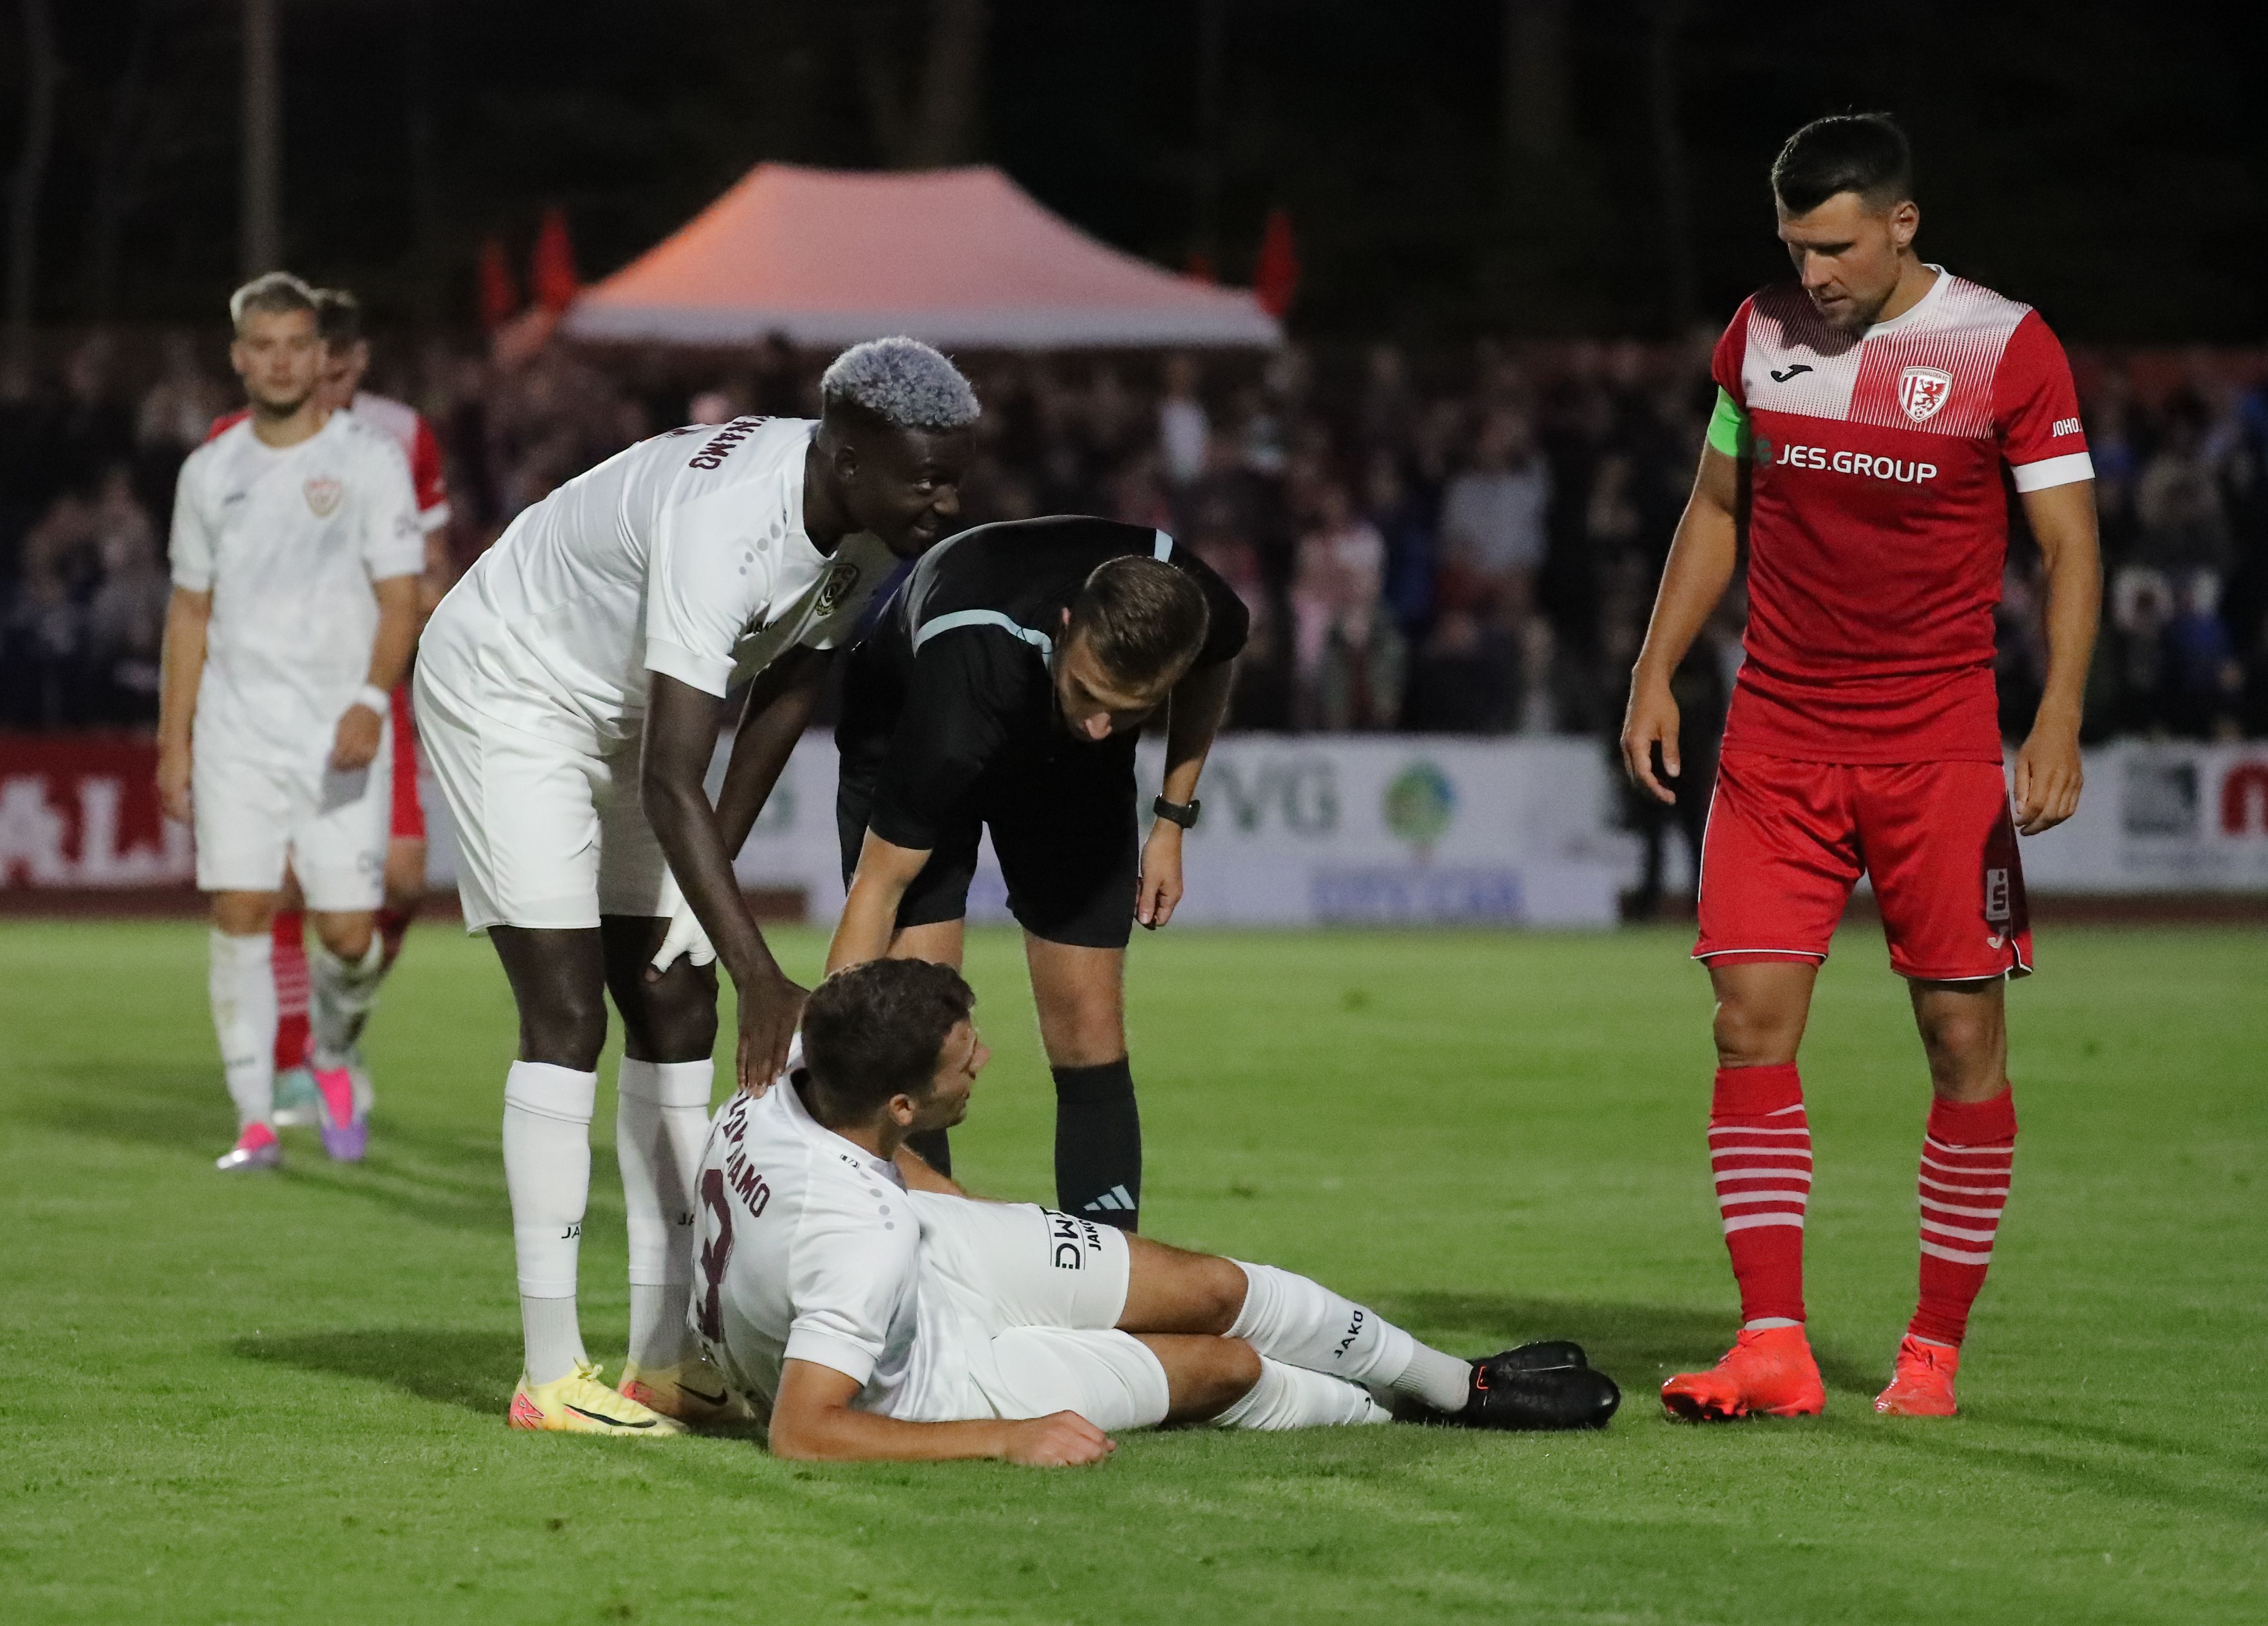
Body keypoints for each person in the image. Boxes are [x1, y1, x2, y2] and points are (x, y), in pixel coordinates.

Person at [1620, 115, 2101, 1420]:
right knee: (1745, 1024)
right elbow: (1718, 507)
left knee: (1959, 1038)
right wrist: (1653, 667)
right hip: (1776, 737)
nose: (1810, 271)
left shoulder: (2006, 348)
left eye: (1832, 245)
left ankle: (1930, 1353)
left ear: (1901, 224)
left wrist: (2054, 716)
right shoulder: (1756, 335)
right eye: (1790, 245)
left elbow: (2066, 545)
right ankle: (1769, 1344)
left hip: (1935, 749)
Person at [413, 337, 977, 1435]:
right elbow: (674, 773)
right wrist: (764, 973)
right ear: (848, 456)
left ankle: (665, 1359)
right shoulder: (730, 524)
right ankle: (547, 1373)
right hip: (510, 689)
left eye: (955, 475)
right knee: (568, 1011)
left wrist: (701, 905)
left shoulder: (869, 523)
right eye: (927, 478)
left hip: (622, 713)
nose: (945, 501)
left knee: (673, 997)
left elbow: (786, 688)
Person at [692, 959, 1621, 1462]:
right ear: (900, 1107)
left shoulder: (787, 1085)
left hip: (937, 1254)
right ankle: (1386, 1418)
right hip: (946, 1382)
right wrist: (1009, 1439)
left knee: (1211, 1285)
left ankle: (1460, 1388)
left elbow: (863, 1181)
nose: (983, 1061)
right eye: (961, 1060)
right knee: (1229, 1367)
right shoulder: (859, 1239)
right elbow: (806, 1431)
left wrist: (994, 1235)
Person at [827, 517, 1247, 1232]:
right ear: (1063, 626)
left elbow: (1213, 663)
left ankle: (1112, 1284)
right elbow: (880, 886)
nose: (1098, 728)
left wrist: (1171, 818)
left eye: (1127, 710)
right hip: (906, 715)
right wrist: (820, 1071)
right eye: (1088, 693)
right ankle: (924, 1272)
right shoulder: (960, 682)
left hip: (1057, 774)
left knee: (1089, 1025)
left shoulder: (1197, 606)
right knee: (918, 1022)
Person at [155, 272, 424, 1172]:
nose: (278, 361)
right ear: (239, 359)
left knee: (349, 936)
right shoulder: (210, 472)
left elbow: (401, 599)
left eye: (295, 345)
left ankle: (335, 1050)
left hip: (338, 733)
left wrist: (367, 699)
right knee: (238, 907)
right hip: (236, 730)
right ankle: (255, 1123)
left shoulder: (367, 461)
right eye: (260, 347)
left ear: (320, 357)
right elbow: (188, 613)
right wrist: (174, 741)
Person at [206, 289, 456, 1129]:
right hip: (270, 699)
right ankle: (289, 1068)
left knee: (405, 878)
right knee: (280, 886)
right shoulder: (235, 449)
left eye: (346, 369)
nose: (333, 384)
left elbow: (430, 562)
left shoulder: (400, 438)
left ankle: (335, 1035)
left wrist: (422, 600)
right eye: (326, 367)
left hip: (370, 688)